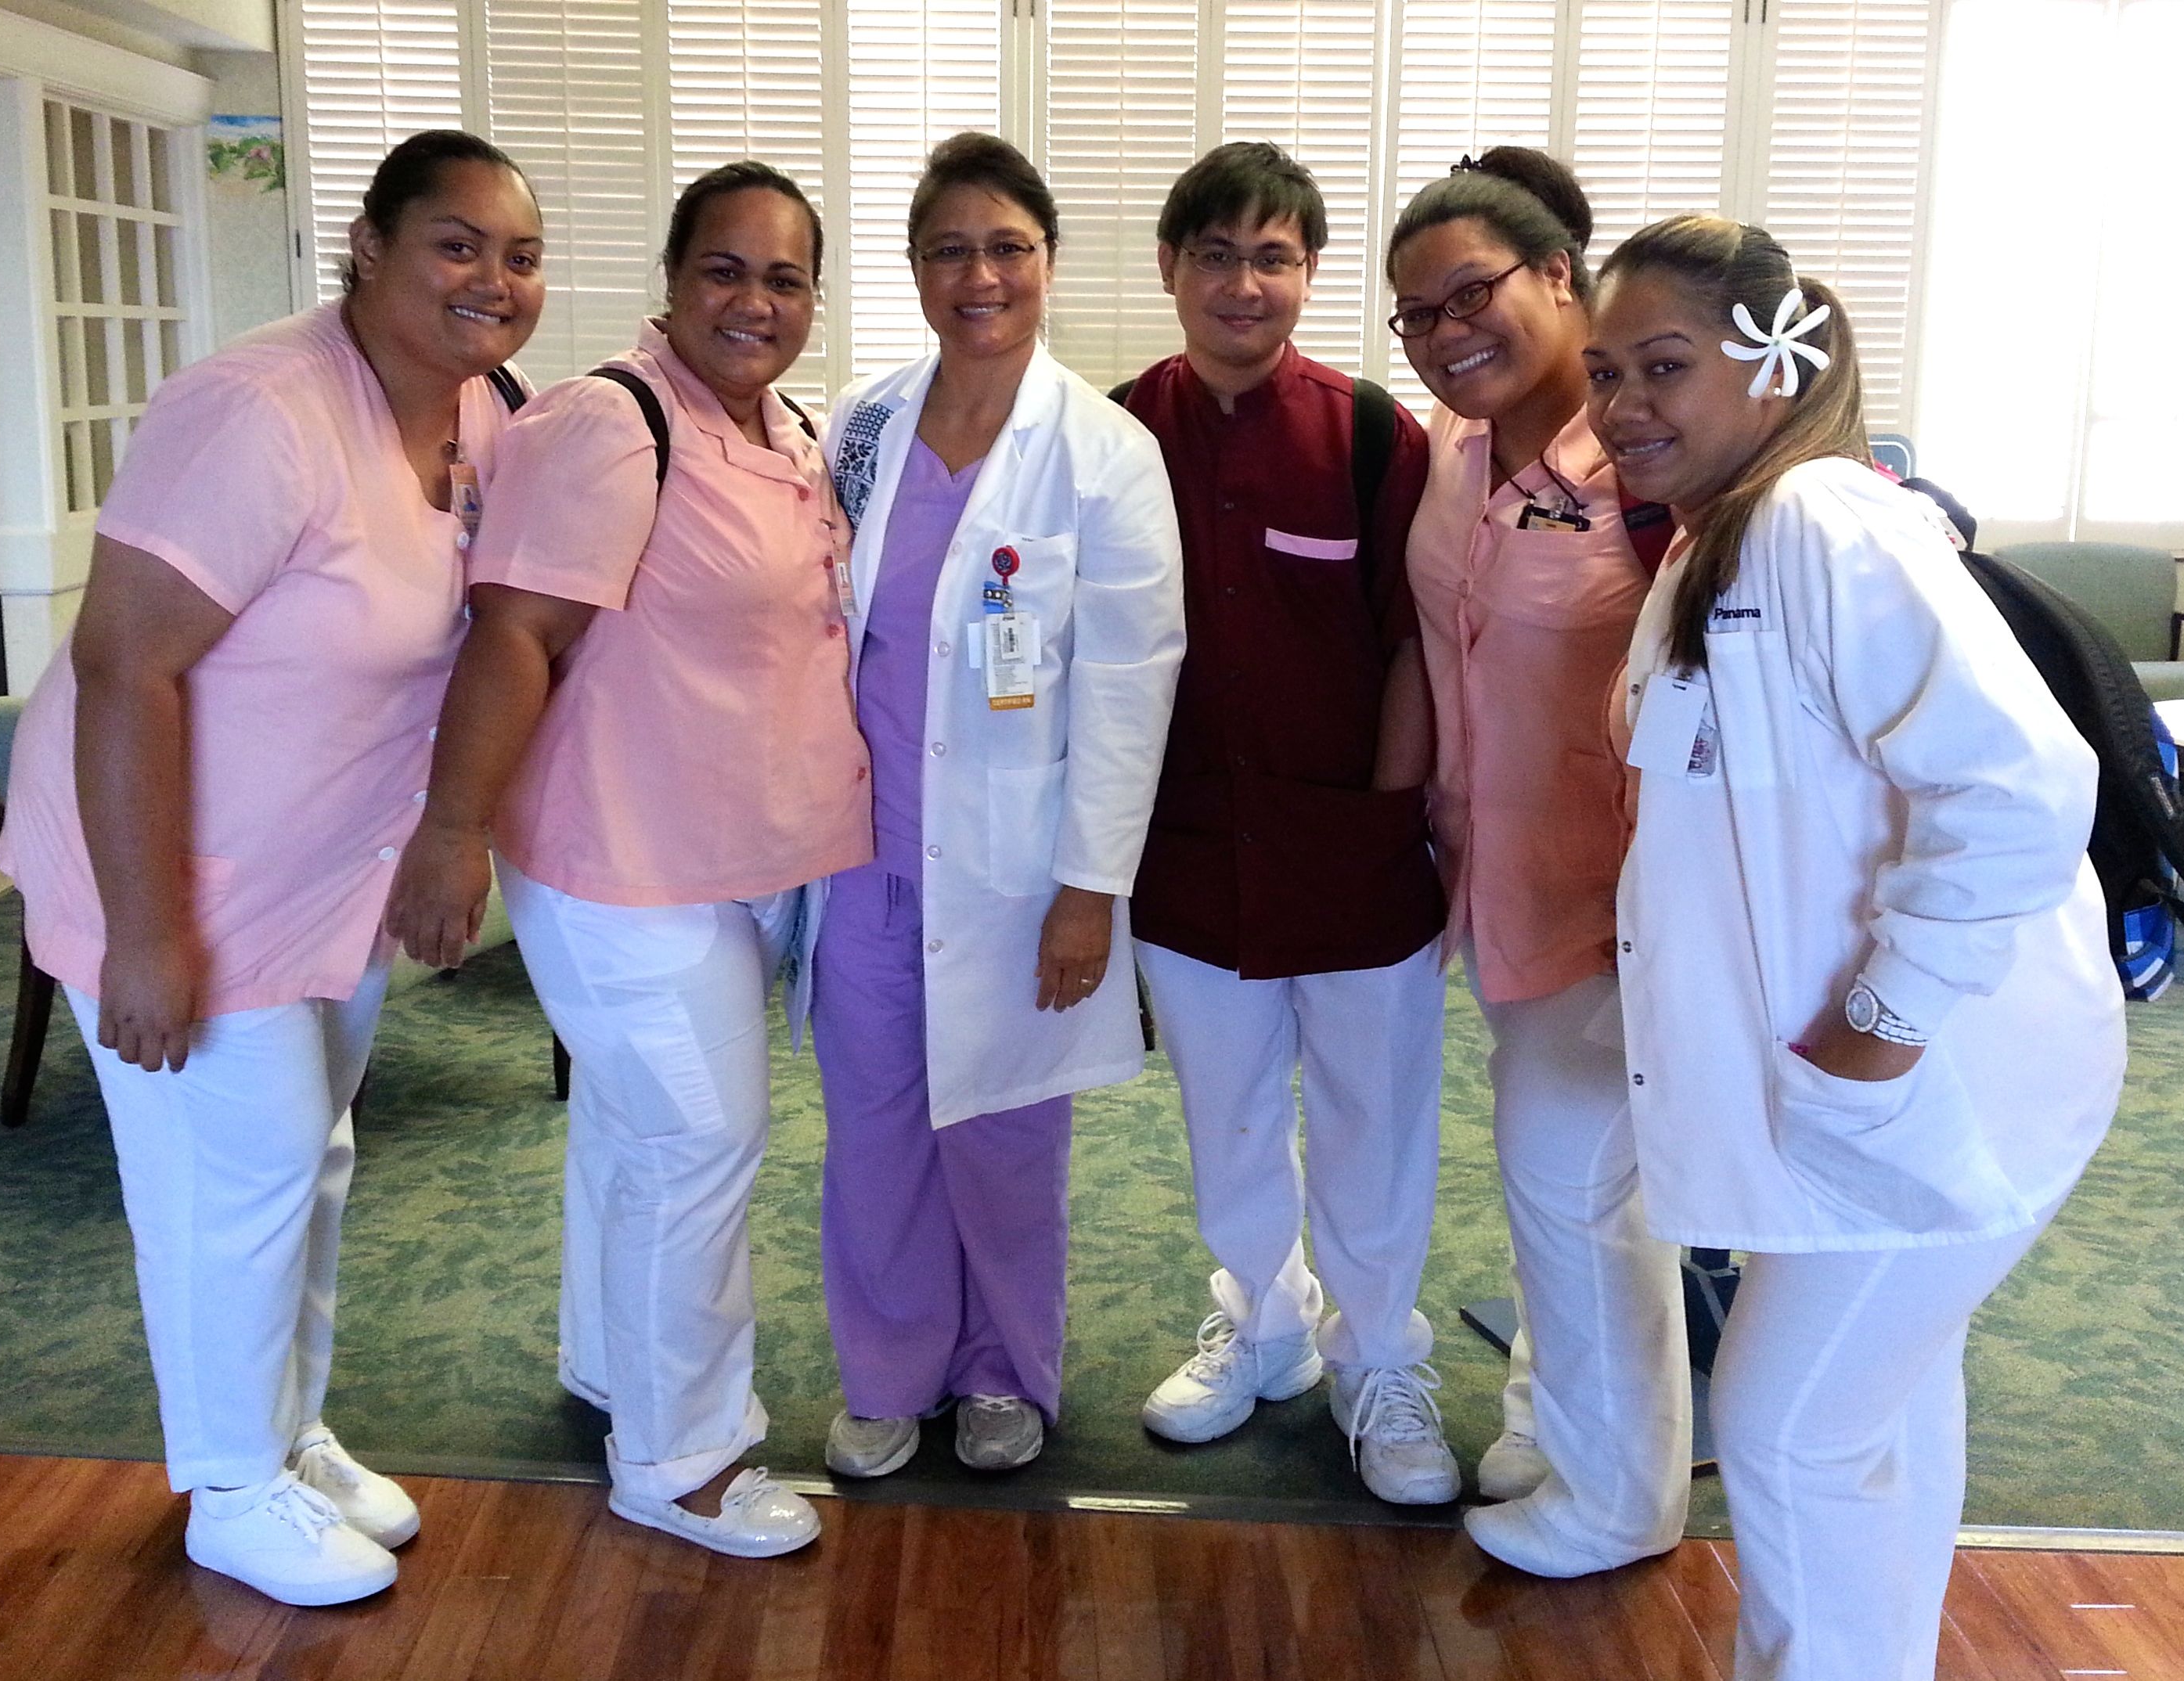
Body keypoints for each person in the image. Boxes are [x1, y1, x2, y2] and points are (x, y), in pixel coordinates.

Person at [0, 131, 544, 1606]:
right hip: (170, 864)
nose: (491, 279)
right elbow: (122, 670)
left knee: (313, 1160)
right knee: (233, 1176)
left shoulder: (480, 411)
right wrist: (145, 936)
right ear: (366, 245)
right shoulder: (258, 410)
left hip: (322, 871)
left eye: (520, 254)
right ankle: (227, 1485)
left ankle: (285, 1433)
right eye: (455, 242)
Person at [1585, 214, 2123, 1677]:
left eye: (1662, 365)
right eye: (1603, 370)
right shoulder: (1722, 543)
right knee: (1871, 1419)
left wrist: (1879, 1021)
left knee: (1785, 1426)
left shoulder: (1825, 522)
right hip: (1863, 1092)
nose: (1619, 403)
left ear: (1771, 368)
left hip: (1935, 1076)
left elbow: (2018, 786)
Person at [382, 162, 867, 1558]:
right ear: (670, 279)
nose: (753, 301)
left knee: (631, 1132)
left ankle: (611, 1371)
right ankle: (682, 1458)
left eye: (783, 278)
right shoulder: (614, 419)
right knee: (697, 1142)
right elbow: (517, 639)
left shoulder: (786, 428)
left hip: (738, 858)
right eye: (724, 269)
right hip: (619, 861)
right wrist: (451, 834)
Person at [810, 131, 1184, 1478]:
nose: (979, 274)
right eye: (949, 249)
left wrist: (1091, 888)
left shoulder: (1104, 451)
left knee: (1007, 1140)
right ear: (916, 270)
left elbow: (1135, 684)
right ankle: (888, 1370)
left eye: (1006, 247)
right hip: (864, 862)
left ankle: (1003, 1371)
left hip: (1026, 868)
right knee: (873, 1126)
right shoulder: (861, 422)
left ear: (1046, 262)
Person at [1114, 142, 1454, 1504]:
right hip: (1186, 852)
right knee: (1228, 1117)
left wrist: (1384, 821)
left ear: (1308, 274)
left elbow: (1414, 647)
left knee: (1377, 1120)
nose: (1242, 284)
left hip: (1352, 853)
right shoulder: (1114, 432)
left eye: (1272, 256)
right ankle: (1260, 1323)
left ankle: (1377, 1355)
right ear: (1169, 269)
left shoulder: (1377, 434)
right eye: (1215, 254)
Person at [1385, 149, 1690, 1560]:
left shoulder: (1652, 467)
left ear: (1560, 278)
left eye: (1472, 294)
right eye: (1416, 316)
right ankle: (1551, 1412)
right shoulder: (1450, 459)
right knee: (1561, 1181)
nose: (1449, 333)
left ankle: (1621, 1503)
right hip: (1493, 881)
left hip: (1627, 900)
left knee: (1576, 1185)